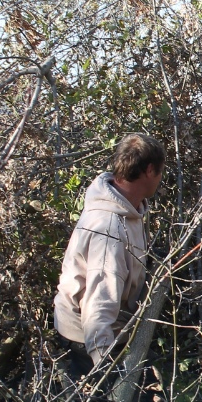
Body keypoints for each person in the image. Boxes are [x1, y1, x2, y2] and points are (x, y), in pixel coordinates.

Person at [54, 133, 165, 378]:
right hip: (88, 338)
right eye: (159, 172)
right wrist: (103, 364)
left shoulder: (125, 205)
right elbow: (98, 304)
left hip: (102, 328)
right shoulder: (109, 230)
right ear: (149, 170)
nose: (160, 179)